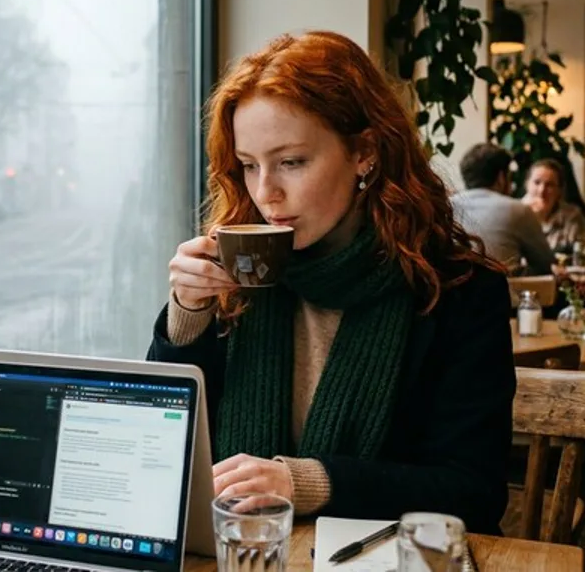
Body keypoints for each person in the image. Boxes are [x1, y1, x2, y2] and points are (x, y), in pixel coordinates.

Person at [146, 31, 515, 534]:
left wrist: (308, 483)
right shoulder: (237, 278)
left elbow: (473, 491)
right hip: (248, 552)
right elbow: (160, 450)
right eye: (249, 166)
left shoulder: (457, 291)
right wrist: (187, 316)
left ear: (364, 152)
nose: (265, 193)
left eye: (291, 162)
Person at [451, 143, 555, 275]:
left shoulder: (446, 206)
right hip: (501, 293)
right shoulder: (518, 210)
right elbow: (546, 265)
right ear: (501, 178)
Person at [521, 158, 585, 253]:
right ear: (527, 185)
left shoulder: (572, 216)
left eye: (549, 185)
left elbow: (577, 254)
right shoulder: (514, 214)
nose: (542, 190)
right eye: (537, 182)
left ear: (559, 191)